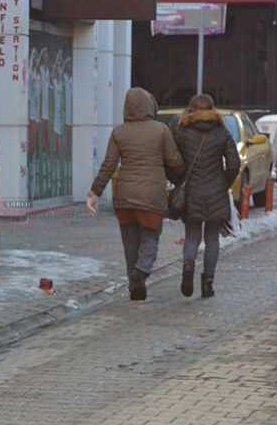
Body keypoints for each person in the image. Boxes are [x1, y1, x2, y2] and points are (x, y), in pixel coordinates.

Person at [87, 88, 185, 302]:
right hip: (151, 195)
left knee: (130, 242)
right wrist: (180, 174)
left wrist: (95, 192)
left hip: (124, 196)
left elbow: (109, 165)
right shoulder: (161, 130)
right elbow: (175, 161)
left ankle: (135, 288)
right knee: (150, 237)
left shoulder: (119, 132)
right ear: (150, 105)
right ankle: (140, 273)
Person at [169, 94, 240, 299]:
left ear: (191, 109)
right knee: (212, 238)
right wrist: (223, 182)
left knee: (192, 236)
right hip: (216, 192)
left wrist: (178, 180)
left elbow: (172, 159)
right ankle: (208, 282)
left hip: (191, 192)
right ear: (212, 109)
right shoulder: (221, 132)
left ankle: (188, 268)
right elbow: (234, 163)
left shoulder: (182, 131)